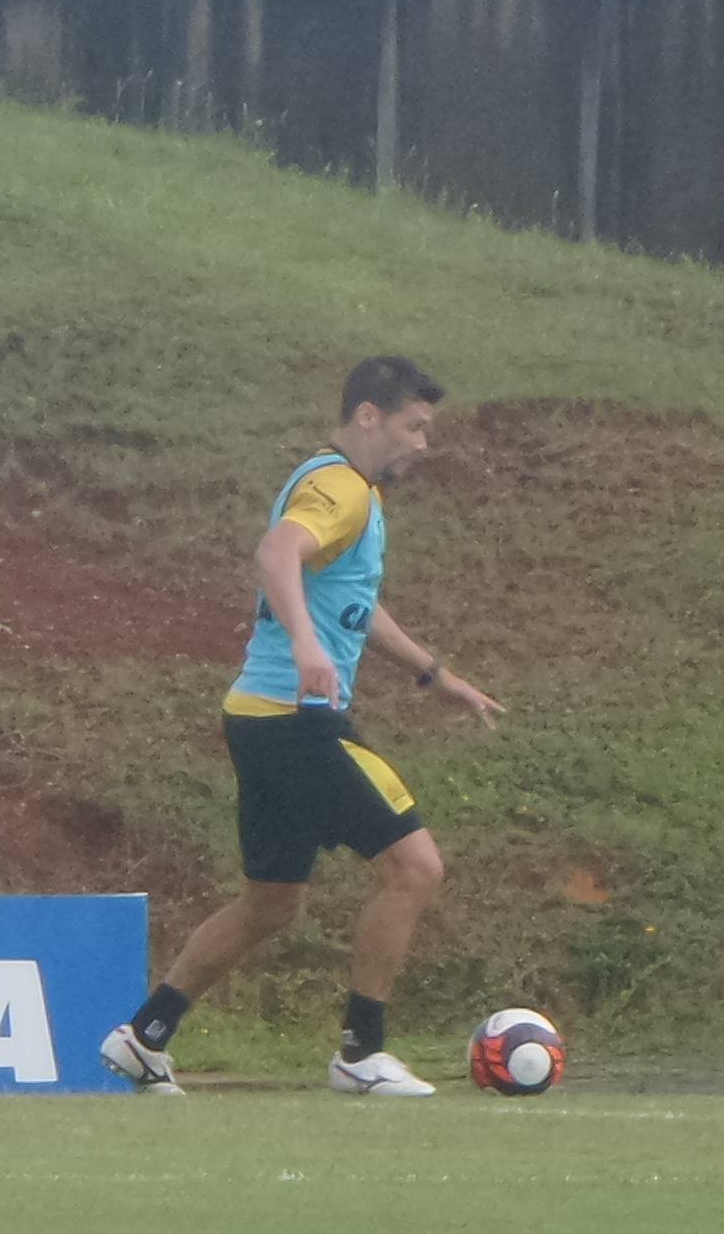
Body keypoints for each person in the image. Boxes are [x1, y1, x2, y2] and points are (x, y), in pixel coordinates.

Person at [102, 356, 503, 1096]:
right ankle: (361, 1053)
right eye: (415, 427)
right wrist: (307, 646)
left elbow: (353, 600)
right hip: (296, 719)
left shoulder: (355, 496)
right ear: (368, 416)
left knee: (272, 900)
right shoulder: (340, 486)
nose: (423, 444)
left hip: (258, 716)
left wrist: (435, 676)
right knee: (415, 868)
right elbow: (277, 552)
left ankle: (145, 1035)